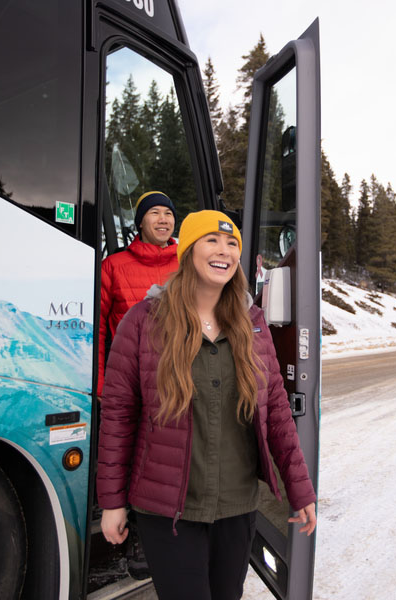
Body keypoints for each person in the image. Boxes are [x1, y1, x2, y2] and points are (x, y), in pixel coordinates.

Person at [97, 210, 317, 600]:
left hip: (237, 506)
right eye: (212, 241)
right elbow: (118, 416)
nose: (224, 251)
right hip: (169, 512)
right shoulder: (145, 321)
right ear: (188, 252)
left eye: (232, 243)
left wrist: (301, 490)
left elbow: (278, 414)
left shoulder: (252, 323)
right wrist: (112, 502)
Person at [98, 190, 178, 397]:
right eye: (154, 212)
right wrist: (99, 383)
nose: (163, 219)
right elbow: (97, 330)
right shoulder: (113, 266)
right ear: (140, 222)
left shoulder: (188, 264)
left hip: (179, 381)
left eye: (168, 214)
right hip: (129, 382)